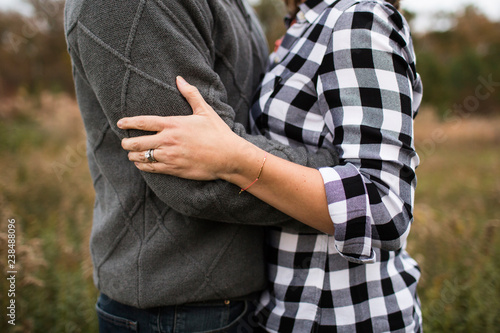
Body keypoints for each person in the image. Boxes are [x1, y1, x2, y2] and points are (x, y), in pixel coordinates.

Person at [118, 0, 423, 331]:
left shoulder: (360, 20)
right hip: (285, 311)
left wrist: (234, 158)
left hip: (348, 314)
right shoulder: (307, 24)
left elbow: (386, 207)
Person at [64, 0, 340, 331]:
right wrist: (341, 179)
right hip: (177, 311)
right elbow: (192, 181)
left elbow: (233, 136)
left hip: (239, 297)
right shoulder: (134, 7)